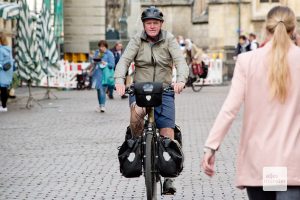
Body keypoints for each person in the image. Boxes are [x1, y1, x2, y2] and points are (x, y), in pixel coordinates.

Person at [202, 6, 300, 200]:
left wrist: (211, 147)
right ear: (294, 29)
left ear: (266, 29)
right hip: (292, 162)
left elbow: (229, 109)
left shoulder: (247, 61)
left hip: (259, 161)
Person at [114, 6, 189, 194]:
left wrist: (180, 80)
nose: (152, 26)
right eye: (149, 23)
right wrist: (119, 80)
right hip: (140, 89)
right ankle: (137, 151)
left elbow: (180, 61)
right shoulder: (136, 40)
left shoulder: (169, 39)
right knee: (136, 118)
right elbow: (124, 61)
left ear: (161, 24)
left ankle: (169, 178)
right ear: (144, 24)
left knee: (166, 130)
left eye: (155, 23)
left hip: (164, 90)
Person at [90, 40, 115, 113]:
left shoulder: (109, 54)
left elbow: (112, 65)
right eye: (100, 46)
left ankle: (103, 105)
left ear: (106, 47)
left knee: (102, 90)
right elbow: (93, 62)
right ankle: (100, 105)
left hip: (105, 74)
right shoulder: (97, 52)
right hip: (97, 74)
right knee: (98, 90)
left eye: (103, 46)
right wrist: (94, 61)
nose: (101, 48)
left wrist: (105, 63)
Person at [0, 33, 13, 112]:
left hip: (2, 71)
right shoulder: (8, 48)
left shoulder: (0, 49)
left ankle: (4, 107)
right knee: (4, 89)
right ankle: (4, 106)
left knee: (3, 89)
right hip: (8, 70)